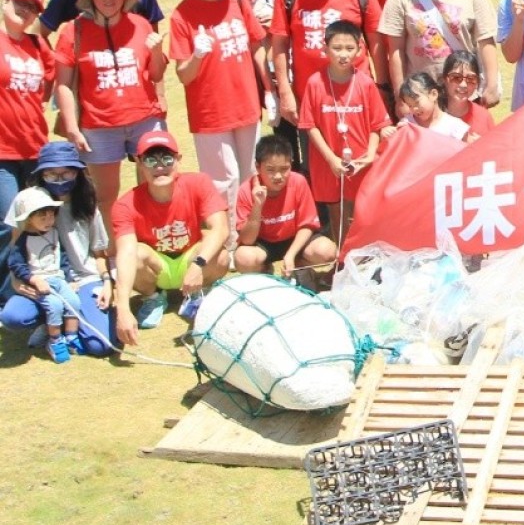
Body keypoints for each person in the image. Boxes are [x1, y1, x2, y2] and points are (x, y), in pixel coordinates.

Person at [53, 0, 167, 235]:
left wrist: (158, 51)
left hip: (144, 119)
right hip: (99, 124)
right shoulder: (73, 31)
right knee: (105, 195)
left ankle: (150, 240)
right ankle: (114, 250)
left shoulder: (140, 25)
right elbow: (64, 85)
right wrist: (71, 127)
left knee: (155, 184)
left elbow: (155, 73)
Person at [169, 0, 268, 215]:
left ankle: (251, 237)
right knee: (223, 181)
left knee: (251, 174)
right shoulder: (182, 15)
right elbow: (183, 76)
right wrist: (197, 55)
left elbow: (257, 46)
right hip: (211, 112)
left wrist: (269, 89)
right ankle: (228, 245)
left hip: (247, 104)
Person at [271, 0, 381, 162]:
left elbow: (376, 42)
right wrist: (286, 92)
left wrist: (381, 87)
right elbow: (279, 45)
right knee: (318, 168)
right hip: (310, 99)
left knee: (361, 162)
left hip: (356, 96)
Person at [111, 130, 229, 343]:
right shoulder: (125, 204)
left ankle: (198, 294)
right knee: (135, 254)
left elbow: (221, 228)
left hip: (190, 257)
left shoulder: (199, 183)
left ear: (178, 160)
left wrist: (197, 265)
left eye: (167, 158)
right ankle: (153, 298)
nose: (159, 166)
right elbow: (126, 254)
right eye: (150, 159)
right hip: (158, 266)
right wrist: (122, 309)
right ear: (139, 162)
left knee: (220, 255)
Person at [0, 142, 113, 357]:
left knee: (101, 346)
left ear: (78, 173)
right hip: (41, 278)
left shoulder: (87, 201)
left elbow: (99, 254)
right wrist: (16, 280)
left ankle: (66, 321)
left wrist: (108, 283)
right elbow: (14, 246)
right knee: (13, 317)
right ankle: (50, 323)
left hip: (83, 278)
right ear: (41, 174)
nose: (59, 181)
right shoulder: (26, 200)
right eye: (51, 174)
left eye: (66, 173)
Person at [299, 20, 391, 240]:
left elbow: (377, 124)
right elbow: (309, 126)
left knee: (360, 212)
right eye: (337, 48)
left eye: (350, 49)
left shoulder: (366, 83)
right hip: (328, 163)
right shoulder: (315, 82)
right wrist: (331, 159)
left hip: (360, 163)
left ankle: (361, 260)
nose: (343, 54)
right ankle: (339, 259)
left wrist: (370, 154)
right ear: (325, 49)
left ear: (360, 50)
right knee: (337, 213)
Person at [234, 135, 335, 278]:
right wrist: (257, 206)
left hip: (294, 239)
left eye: (284, 169)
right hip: (264, 242)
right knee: (243, 259)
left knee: (327, 251)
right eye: (270, 169)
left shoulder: (298, 182)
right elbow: (247, 240)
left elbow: (308, 225)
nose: (278, 176)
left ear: (291, 164)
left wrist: (291, 255)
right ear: (258, 167)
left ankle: (300, 267)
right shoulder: (246, 190)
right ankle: (265, 272)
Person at [0, 0, 54, 244]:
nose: (26, 10)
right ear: (5, 2)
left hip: (35, 149)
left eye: (32, 8)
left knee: (39, 221)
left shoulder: (38, 45)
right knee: (10, 222)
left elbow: (51, 80)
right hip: (2, 153)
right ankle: (7, 283)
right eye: (20, 3)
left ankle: (36, 277)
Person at [4, 189, 80, 362]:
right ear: (29, 218)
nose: (49, 221)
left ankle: (71, 337)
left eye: (51, 216)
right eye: (42, 218)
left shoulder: (54, 233)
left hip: (58, 278)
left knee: (73, 301)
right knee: (54, 306)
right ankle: (55, 341)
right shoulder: (23, 240)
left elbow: (63, 258)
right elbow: (16, 264)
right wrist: (33, 279)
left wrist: (69, 279)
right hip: (40, 282)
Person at [439, 51, 494, 139]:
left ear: (477, 83)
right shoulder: (431, 114)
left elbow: (494, 150)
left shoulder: (484, 117)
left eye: (471, 79)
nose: (463, 85)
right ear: (444, 79)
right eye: (456, 78)